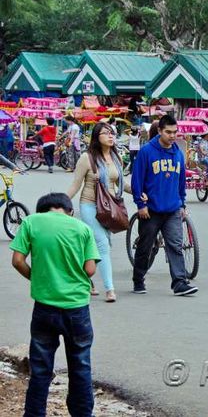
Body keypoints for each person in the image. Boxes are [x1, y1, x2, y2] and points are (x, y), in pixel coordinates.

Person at [10, 192, 100, 417]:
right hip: (77, 310)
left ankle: (34, 414)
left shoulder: (31, 222)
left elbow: (17, 261)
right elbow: (90, 269)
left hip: (44, 309)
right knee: (80, 367)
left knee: (40, 369)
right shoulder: (82, 229)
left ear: (42, 210)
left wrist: (37, 278)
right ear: (69, 211)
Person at [131, 115, 198, 296]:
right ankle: (138, 279)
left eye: (175, 132)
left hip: (173, 209)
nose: (172, 135)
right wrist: (140, 203)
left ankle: (179, 283)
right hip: (151, 210)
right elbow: (137, 179)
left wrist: (182, 204)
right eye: (168, 132)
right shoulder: (146, 152)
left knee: (175, 246)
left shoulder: (178, 153)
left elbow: (181, 181)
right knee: (145, 247)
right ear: (159, 131)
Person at [67, 122, 131, 303]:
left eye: (112, 133)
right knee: (102, 244)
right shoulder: (87, 158)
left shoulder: (116, 158)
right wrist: (61, 202)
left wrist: (140, 191)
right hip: (90, 205)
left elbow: (121, 184)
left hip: (110, 207)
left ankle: (84, 277)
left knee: (97, 247)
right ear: (96, 137)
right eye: (106, 133)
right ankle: (110, 289)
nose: (111, 136)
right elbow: (75, 185)